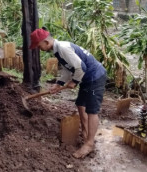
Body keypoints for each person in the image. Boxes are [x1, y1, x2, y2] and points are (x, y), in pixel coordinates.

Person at [29, 28, 107, 159]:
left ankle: (89, 143)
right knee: (80, 104)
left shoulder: (63, 48)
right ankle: (86, 132)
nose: (38, 48)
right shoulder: (58, 50)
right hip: (86, 78)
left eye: (39, 45)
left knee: (92, 110)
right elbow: (67, 69)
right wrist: (58, 84)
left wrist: (74, 81)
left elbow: (81, 67)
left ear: (46, 42)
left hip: (95, 77)